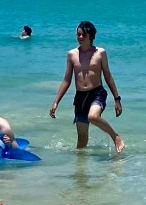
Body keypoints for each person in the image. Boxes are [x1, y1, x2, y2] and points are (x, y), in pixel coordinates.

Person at [50, 20, 124, 153]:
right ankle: (81, 166)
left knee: (93, 116)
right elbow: (67, 80)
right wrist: (56, 102)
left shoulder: (100, 53)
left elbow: (108, 76)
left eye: (83, 35)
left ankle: (115, 136)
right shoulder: (72, 54)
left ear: (91, 36)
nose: (80, 37)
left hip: (97, 93)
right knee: (81, 142)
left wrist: (117, 99)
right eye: (78, 34)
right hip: (80, 97)